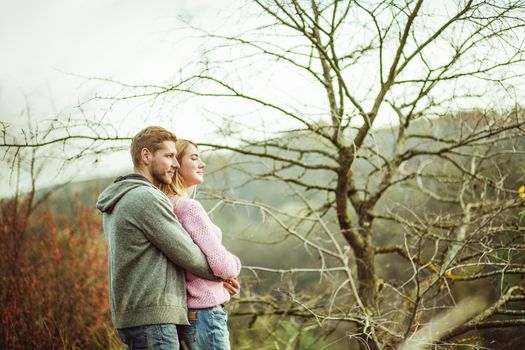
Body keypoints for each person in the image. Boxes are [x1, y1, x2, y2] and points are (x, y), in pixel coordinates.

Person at [96, 126, 238, 350]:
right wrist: (221, 276)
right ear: (146, 156)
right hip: (153, 318)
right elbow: (187, 254)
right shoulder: (146, 198)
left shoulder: (120, 197)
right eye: (169, 156)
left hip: (135, 315)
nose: (176, 164)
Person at [160, 139, 241, 350]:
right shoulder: (188, 207)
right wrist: (234, 266)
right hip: (206, 314)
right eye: (194, 158)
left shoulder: (165, 206)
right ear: (176, 164)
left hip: (188, 313)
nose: (202, 164)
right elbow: (223, 265)